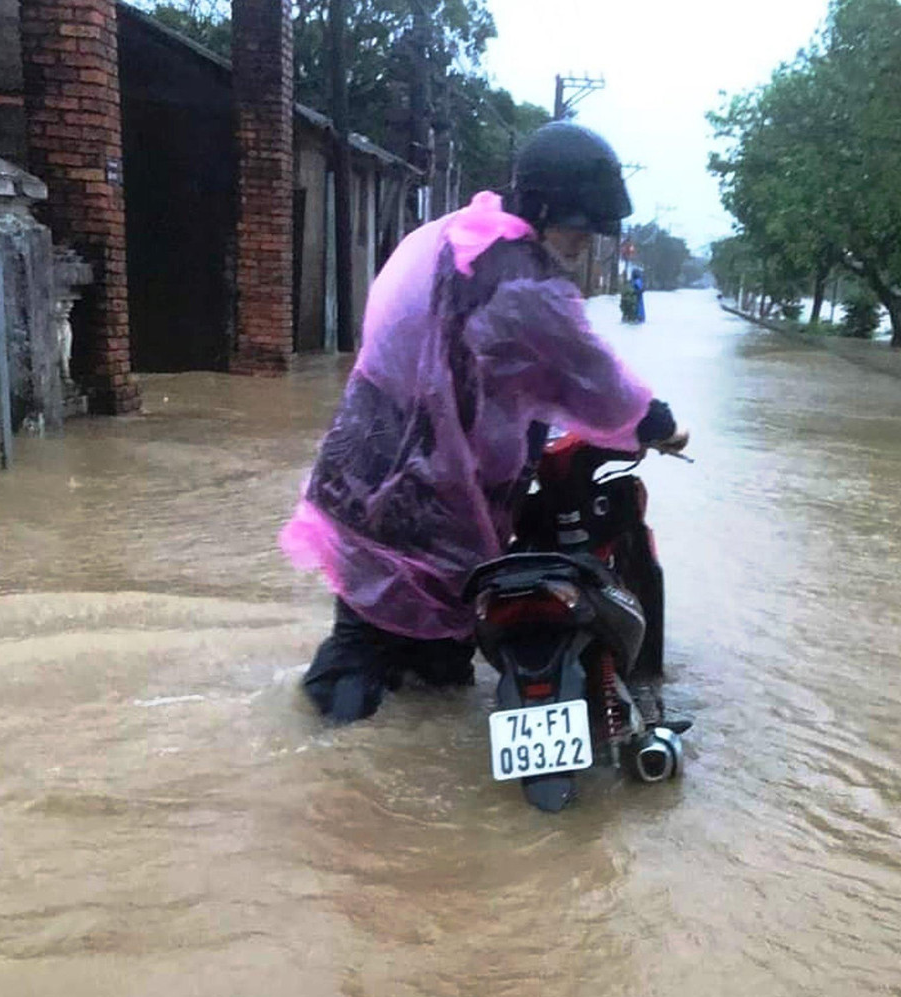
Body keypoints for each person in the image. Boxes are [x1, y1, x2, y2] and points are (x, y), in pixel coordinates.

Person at [280, 122, 688, 723]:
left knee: (397, 644)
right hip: (431, 495)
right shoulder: (525, 279)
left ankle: (345, 767)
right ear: (547, 208)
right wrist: (656, 423)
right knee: (394, 653)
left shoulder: (453, 236)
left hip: (366, 467)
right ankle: (336, 772)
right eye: (580, 226)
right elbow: (590, 373)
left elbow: (471, 364)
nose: (584, 242)